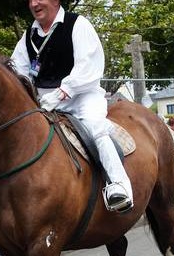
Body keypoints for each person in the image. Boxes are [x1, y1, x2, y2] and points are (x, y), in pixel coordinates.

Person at [11, 0, 133, 212]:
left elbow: (88, 66)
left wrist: (61, 93)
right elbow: (17, 72)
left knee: (96, 128)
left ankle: (119, 185)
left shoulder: (78, 24)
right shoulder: (28, 36)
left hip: (81, 97)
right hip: (44, 102)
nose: (33, 3)